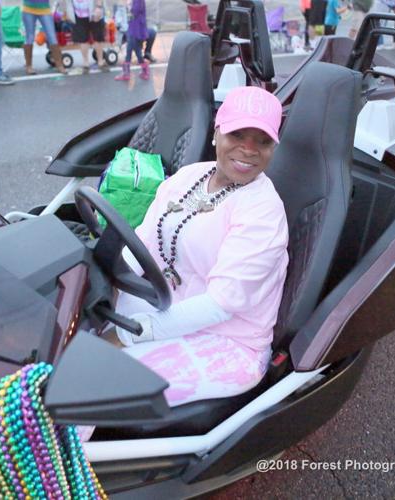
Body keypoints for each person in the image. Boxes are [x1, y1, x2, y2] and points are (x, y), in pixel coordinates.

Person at [106, 86, 289, 414]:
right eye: (237, 134)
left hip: (227, 342)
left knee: (88, 387)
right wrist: (101, 282)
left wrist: (131, 334)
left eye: (262, 141)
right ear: (217, 132)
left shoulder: (263, 213)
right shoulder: (189, 176)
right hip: (166, 307)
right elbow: (143, 242)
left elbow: (220, 306)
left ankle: (58, 463)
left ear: (273, 146)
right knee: (62, 337)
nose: (248, 149)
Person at [63, 0, 110, 74]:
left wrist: (99, 7)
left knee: (98, 37)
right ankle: (86, 63)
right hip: (78, 14)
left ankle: (100, 62)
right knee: (82, 39)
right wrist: (68, 10)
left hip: (94, 11)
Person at [22, 0, 67, 75]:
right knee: (29, 37)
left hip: (45, 10)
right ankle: (28, 66)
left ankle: (59, 65)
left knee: (52, 36)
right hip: (28, 9)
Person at [115, 0, 149, 81]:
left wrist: (127, 5)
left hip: (136, 29)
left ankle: (130, 73)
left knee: (133, 50)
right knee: (132, 50)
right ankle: (142, 71)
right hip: (133, 27)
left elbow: (135, 11)